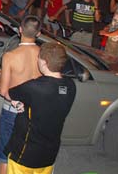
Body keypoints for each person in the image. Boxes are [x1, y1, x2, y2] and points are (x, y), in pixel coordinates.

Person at [5, 43, 76, 173]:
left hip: (25, 152)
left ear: (44, 62)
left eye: (39, 57)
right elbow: (47, 105)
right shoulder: (70, 85)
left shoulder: (34, 87)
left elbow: (9, 93)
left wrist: (17, 103)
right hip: (49, 154)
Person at [0, 16, 42, 174]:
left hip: (12, 110)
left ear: (20, 30)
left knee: (5, 155)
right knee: (26, 155)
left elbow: (3, 90)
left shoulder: (10, 56)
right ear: (39, 33)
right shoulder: (43, 55)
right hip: (34, 111)